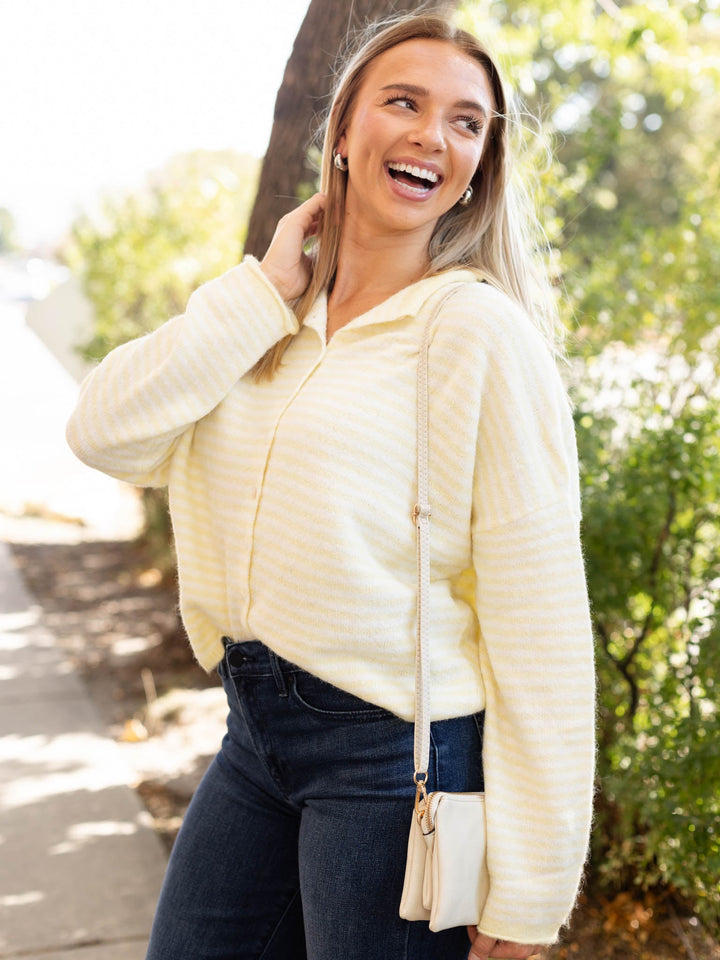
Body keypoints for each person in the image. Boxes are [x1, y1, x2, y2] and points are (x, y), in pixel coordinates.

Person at [66, 12, 595, 960]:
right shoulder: (263, 320)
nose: (435, 135)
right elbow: (102, 432)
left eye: (467, 122)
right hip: (253, 735)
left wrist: (527, 900)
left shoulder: (476, 334)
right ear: (344, 128)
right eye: (405, 102)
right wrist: (264, 292)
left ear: (481, 161)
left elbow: (544, 626)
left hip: (394, 763)